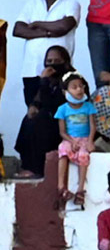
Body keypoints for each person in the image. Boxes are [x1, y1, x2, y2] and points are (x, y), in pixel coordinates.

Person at [12, 0, 81, 119]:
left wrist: (36, 24)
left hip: (59, 72)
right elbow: (18, 30)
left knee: (58, 117)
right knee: (34, 116)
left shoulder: (71, 3)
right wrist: (49, 32)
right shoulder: (31, 4)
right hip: (31, 71)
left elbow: (64, 26)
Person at [14, 45, 71, 178]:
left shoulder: (72, 79)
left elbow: (54, 105)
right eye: (49, 61)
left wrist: (44, 81)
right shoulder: (51, 80)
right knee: (30, 118)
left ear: (66, 63)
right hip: (50, 121)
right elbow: (40, 100)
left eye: (57, 61)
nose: (52, 65)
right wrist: (33, 106)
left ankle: (37, 169)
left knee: (42, 119)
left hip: (67, 125)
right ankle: (27, 166)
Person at [55, 71, 97, 208]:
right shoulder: (62, 109)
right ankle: (61, 186)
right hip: (70, 138)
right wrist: (72, 141)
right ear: (65, 91)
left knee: (84, 155)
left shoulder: (88, 107)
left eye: (81, 86)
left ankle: (80, 190)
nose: (79, 89)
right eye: (74, 87)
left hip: (84, 139)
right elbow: (62, 132)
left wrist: (90, 141)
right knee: (63, 149)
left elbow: (92, 126)